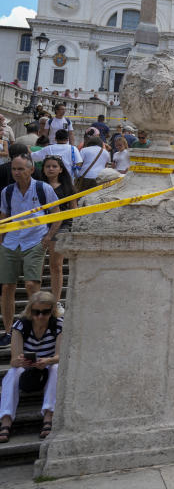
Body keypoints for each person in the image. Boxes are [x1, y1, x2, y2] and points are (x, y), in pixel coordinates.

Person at [0, 155, 60, 347]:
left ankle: (38, 328)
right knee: (7, 287)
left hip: (35, 240)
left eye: (20, 169)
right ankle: (9, 330)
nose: (17, 173)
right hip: (11, 242)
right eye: (14, 169)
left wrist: (48, 237)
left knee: (31, 284)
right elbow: (4, 216)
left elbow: (57, 214)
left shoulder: (43, 188)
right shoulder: (7, 191)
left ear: (31, 170)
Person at [0, 291, 62, 442]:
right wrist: (22, 361)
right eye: (36, 312)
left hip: (49, 364)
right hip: (27, 368)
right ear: (30, 311)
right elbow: (14, 360)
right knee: (12, 374)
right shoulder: (21, 325)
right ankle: (6, 420)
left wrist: (47, 361)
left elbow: (60, 356)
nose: (40, 316)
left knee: (56, 369)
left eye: (45, 312)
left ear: (52, 311)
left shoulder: (59, 324)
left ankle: (49, 415)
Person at [40, 157, 75, 309]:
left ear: (61, 169)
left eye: (54, 166)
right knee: (38, 266)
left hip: (61, 227)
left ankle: (56, 300)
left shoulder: (68, 187)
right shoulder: (38, 186)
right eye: (48, 166)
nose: (51, 169)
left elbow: (74, 209)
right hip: (39, 227)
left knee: (56, 264)